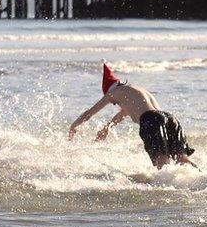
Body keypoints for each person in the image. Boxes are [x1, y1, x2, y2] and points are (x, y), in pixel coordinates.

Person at [68, 61, 197, 170]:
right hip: (169, 118)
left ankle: (165, 190)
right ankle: (201, 178)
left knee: (161, 160)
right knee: (181, 159)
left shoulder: (113, 93)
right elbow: (123, 113)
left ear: (108, 90)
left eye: (113, 103)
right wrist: (107, 128)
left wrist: (74, 125)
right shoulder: (136, 91)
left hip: (151, 120)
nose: (114, 104)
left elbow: (89, 113)